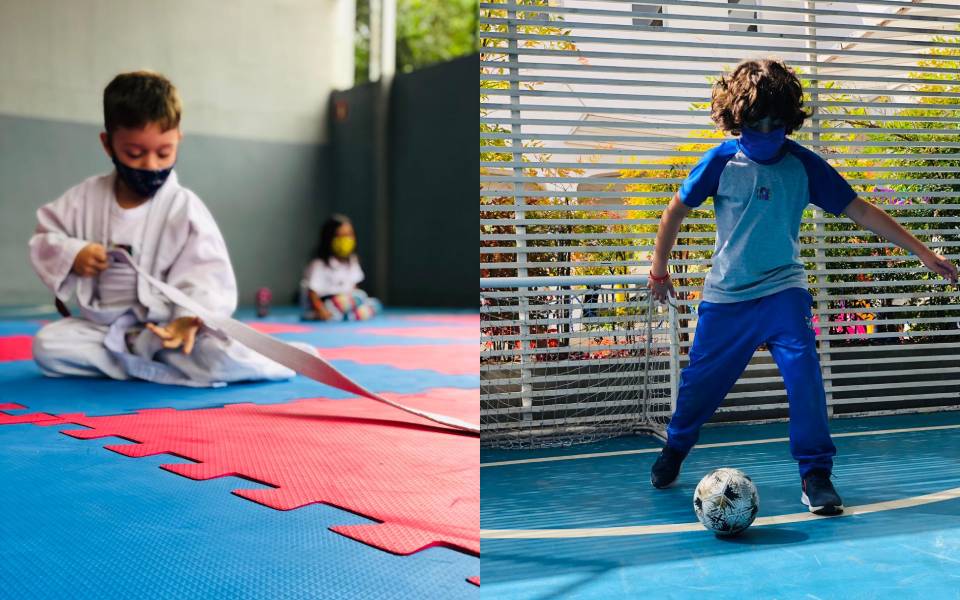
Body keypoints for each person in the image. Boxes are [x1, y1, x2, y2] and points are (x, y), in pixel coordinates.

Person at [647, 59, 958, 515]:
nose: (768, 132)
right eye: (757, 123)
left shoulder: (803, 165)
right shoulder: (719, 163)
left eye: (777, 124)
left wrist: (922, 252)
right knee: (700, 388)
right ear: (737, 120)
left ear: (789, 121)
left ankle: (816, 475)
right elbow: (674, 210)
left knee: (805, 376)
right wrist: (659, 268)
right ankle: (675, 447)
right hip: (727, 296)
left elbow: (862, 210)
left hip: (783, 291)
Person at [29, 71, 296, 387]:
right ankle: (139, 357)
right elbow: (46, 237)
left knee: (218, 355)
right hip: (106, 329)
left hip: (170, 328)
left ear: (178, 140)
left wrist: (186, 319)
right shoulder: (84, 199)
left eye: (164, 152)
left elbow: (207, 275)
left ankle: (145, 357)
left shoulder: (184, 207)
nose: (151, 165)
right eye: (135, 153)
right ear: (108, 144)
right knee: (48, 345)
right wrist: (74, 254)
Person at [300, 215, 381, 321]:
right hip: (326, 302)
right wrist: (321, 310)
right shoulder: (319, 264)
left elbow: (354, 287)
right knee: (359, 297)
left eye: (349, 235)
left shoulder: (352, 261)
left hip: (346, 301)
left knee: (374, 303)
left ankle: (345, 316)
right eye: (340, 235)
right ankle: (332, 314)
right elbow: (312, 293)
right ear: (329, 238)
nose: (346, 239)